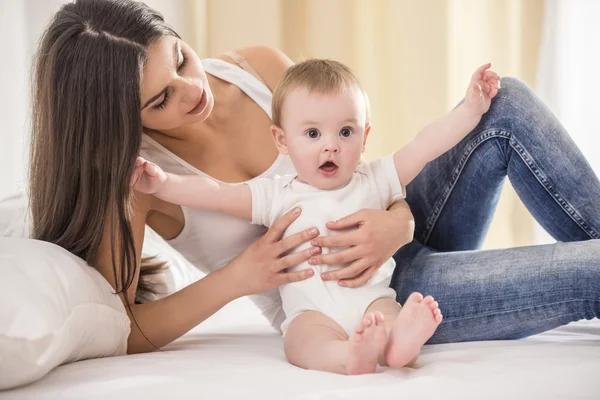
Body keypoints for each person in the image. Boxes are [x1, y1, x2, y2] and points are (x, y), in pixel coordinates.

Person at [28, 0, 599, 361]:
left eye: (180, 58)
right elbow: (125, 330)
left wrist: (396, 223)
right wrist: (240, 277)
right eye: (161, 99)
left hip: (401, 238)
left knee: (506, 104)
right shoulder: (138, 183)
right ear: (123, 119)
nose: (192, 88)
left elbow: (360, 158)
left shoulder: (256, 68)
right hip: (364, 302)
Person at [130, 59, 500, 374]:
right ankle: (350, 356)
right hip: (312, 311)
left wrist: (470, 110)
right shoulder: (277, 193)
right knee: (300, 342)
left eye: (345, 131)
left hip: (371, 298)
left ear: (365, 135)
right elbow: (216, 194)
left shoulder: (375, 178)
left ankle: (399, 346)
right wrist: (164, 185)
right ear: (282, 141)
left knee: (390, 314)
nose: (330, 144)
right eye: (312, 133)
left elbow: (425, 145)